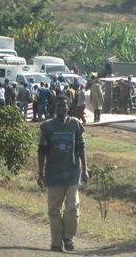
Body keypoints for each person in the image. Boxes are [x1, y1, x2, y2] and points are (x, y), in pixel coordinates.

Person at [37, 95, 89, 252]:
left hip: (72, 172)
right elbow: (41, 151)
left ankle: (68, 237)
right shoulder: (47, 127)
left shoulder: (76, 125)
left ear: (68, 107)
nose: (60, 108)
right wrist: (40, 173)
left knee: (73, 207)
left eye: (63, 106)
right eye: (58, 106)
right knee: (54, 210)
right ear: (55, 108)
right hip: (53, 174)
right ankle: (56, 243)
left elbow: (81, 147)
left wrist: (85, 169)